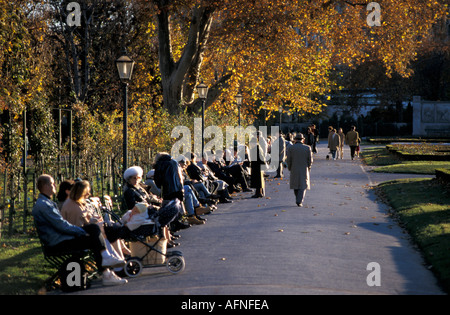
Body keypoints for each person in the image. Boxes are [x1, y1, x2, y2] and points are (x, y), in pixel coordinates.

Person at [32, 174, 127, 286]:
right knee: (93, 235)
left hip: (60, 239)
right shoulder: (44, 205)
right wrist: (82, 231)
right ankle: (107, 271)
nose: (55, 185)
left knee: (93, 229)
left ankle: (107, 266)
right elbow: (62, 226)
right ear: (45, 186)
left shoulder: (46, 203)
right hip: (57, 243)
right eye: (52, 183)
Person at [286, 133, 313, 207]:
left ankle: (298, 198)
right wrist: (309, 167)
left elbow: (288, 160)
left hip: (294, 168)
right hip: (304, 169)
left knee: (296, 185)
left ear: (295, 140)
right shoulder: (307, 148)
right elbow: (310, 160)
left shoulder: (291, 148)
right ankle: (299, 200)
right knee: (303, 185)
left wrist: (290, 167)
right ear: (303, 140)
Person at [250, 132, 267, 198]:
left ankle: (259, 193)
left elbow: (261, 158)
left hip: (257, 166)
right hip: (258, 166)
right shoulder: (257, 148)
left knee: (258, 180)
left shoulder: (256, 149)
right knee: (259, 180)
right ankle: (259, 192)